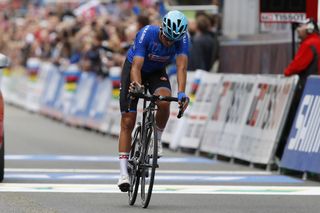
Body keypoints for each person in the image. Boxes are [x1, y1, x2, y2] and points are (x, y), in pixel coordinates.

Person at [117, 10, 190, 192]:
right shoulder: (147, 33)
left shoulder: (182, 39)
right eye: (166, 38)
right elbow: (136, 67)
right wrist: (138, 87)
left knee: (164, 101)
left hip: (157, 71)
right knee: (128, 121)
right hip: (135, 69)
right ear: (162, 29)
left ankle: (156, 139)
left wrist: (181, 93)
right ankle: (123, 173)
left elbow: (181, 67)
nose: (168, 42)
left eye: (173, 40)